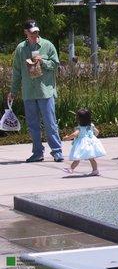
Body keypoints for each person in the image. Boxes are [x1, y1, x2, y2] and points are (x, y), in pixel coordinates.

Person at [8, 19, 63, 162]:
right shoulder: (21, 48)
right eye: (31, 32)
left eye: (36, 32)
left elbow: (55, 64)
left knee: (50, 123)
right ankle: (38, 153)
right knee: (33, 125)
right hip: (29, 92)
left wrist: (43, 61)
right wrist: (13, 91)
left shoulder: (47, 45)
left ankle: (57, 151)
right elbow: (17, 71)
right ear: (25, 32)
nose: (34, 34)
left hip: (45, 91)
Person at [62, 109, 105, 176]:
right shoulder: (91, 125)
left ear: (79, 119)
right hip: (90, 143)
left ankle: (71, 169)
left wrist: (66, 138)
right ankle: (95, 170)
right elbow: (97, 132)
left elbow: (74, 135)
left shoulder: (79, 128)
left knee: (77, 157)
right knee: (91, 158)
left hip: (82, 144)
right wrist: (92, 136)